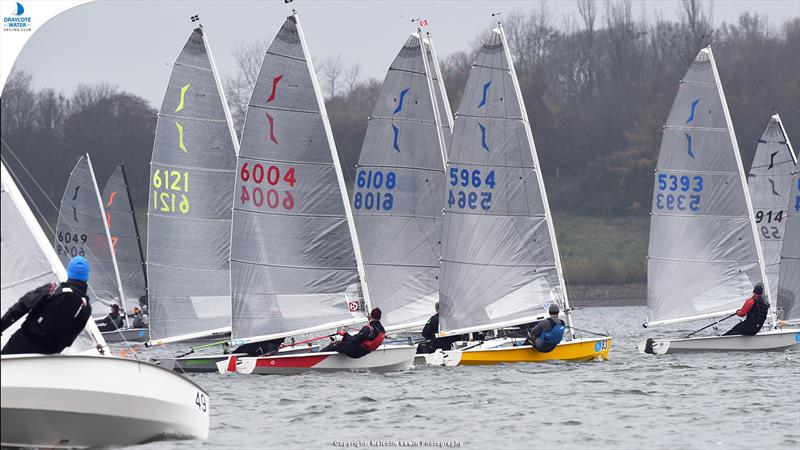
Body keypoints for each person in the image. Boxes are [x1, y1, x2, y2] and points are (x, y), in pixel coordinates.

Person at [1, 256, 93, 355]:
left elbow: (21, 307)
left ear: (69, 272)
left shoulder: (53, 289)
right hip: (49, 355)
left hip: (22, 343)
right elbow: (70, 338)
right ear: (87, 277)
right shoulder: (87, 309)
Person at [320, 307, 385, 358]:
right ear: (380, 317)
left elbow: (354, 340)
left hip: (356, 352)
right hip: (365, 351)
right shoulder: (382, 329)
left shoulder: (368, 328)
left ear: (371, 316)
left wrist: (344, 334)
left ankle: (318, 355)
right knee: (343, 341)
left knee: (334, 344)